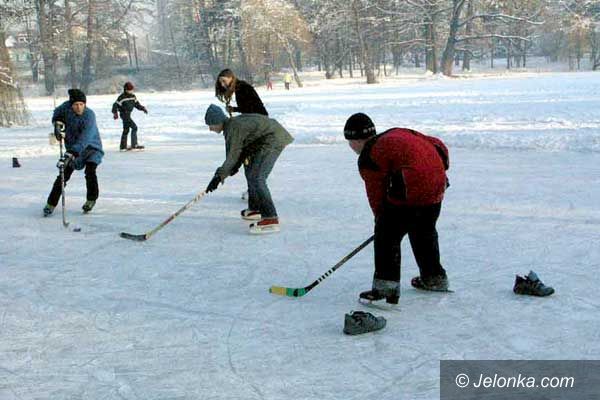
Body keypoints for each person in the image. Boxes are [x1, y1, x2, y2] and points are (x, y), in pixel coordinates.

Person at [343, 113, 450, 305]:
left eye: (350, 142)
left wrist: (381, 222)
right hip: (437, 184)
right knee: (423, 231)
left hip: (414, 187)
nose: (351, 147)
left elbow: (376, 194)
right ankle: (434, 278)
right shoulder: (396, 133)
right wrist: (437, 172)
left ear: (357, 140)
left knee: (387, 237)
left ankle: (386, 289)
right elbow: (437, 145)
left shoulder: (370, 154)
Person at [204, 104, 293, 234]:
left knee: (257, 177)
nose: (210, 129)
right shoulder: (232, 126)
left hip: (273, 139)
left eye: (211, 125)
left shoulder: (233, 128)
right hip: (262, 141)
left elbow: (232, 155)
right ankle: (255, 208)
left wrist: (219, 177)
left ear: (218, 121)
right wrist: (233, 167)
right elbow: (239, 152)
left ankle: (270, 218)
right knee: (250, 172)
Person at [43, 89, 104, 216]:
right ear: (71, 105)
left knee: (90, 171)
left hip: (91, 148)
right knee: (63, 175)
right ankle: (50, 204)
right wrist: (57, 124)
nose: (79, 107)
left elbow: (85, 138)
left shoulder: (89, 115)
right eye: (76, 105)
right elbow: (56, 113)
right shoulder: (65, 108)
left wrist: (71, 153)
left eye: (82, 104)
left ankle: (91, 199)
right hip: (73, 148)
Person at [112, 81, 148, 151]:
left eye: (131, 90)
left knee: (126, 129)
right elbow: (115, 105)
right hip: (124, 115)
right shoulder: (122, 97)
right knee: (134, 127)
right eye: (129, 90)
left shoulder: (133, 96)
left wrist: (143, 108)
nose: (131, 91)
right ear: (125, 90)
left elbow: (137, 104)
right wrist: (115, 113)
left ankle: (123, 146)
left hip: (128, 114)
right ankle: (134, 145)